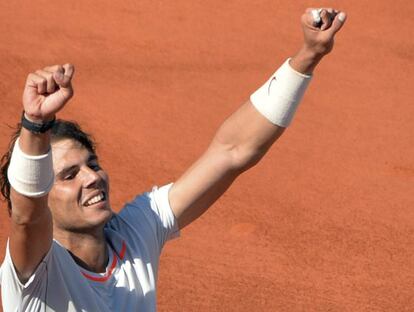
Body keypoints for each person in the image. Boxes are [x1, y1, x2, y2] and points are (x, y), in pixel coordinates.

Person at [0, 8, 347, 312]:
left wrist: (306, 58)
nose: (91, 177)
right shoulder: (34, 272)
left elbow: (231, 152)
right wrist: (36, 124)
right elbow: (28, 216)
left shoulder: (135, 231)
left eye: (91, 164)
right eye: (69, 175)